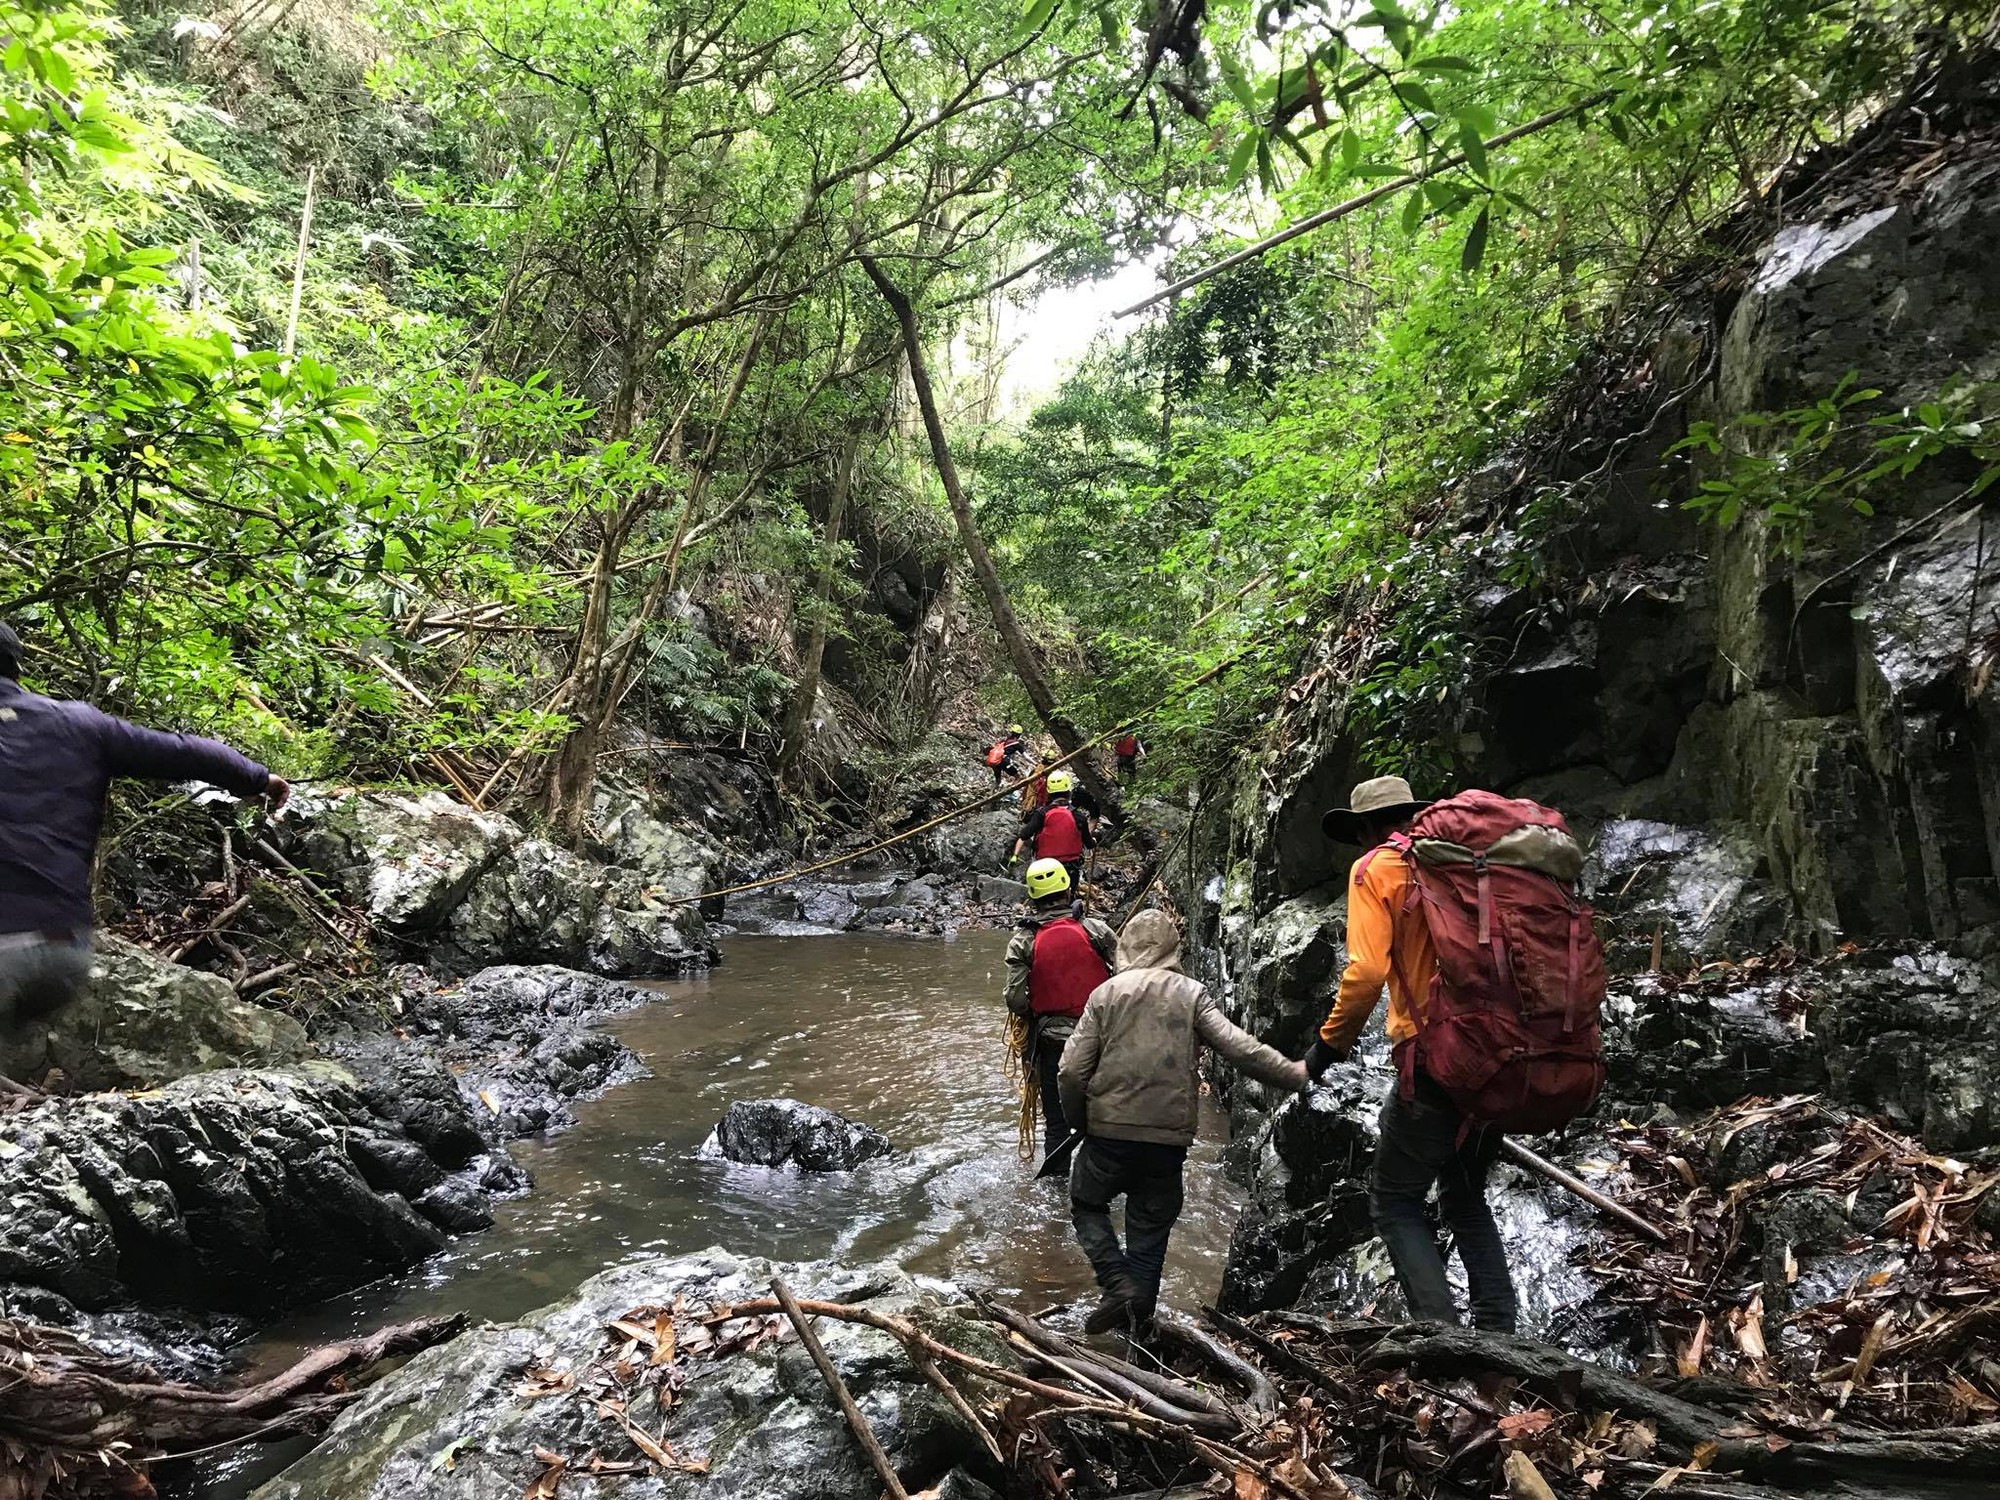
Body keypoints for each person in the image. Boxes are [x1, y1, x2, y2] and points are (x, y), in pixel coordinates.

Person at [0, 621, 290, 1041]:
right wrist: (259, 779)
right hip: (58, 951)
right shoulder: (79, 724)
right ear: (17, 667)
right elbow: (188, 752)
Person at [1305, 774, 1518, 1334]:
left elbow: (1368, 971)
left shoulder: (1376, 868)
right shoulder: (1462, 864)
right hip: (1499, 1054)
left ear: (1367, 828)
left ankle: (1443, 1341)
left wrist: (1326, 1047)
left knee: (1394, 1202)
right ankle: (1500, 1335)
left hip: (1435, 1059)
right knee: (1467, 1197)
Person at [1059, 907, 1307, 1333]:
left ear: (1126, 947)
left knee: (1086, 1204)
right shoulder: (1192, 993)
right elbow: (1240, 1049)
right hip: (1167, 1142)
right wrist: (1297, 1073)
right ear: (1173, 948)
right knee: (1149, 1237)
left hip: (1108, 1134)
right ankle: (1140, 1337)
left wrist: (1079, 1121)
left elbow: (1070, 1072)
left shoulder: (1106, 994)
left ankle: (1117, 1284)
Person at [1003, 857, 1116, 1161]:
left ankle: (1055, 1184)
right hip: (1100, 1039)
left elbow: (1014, 999)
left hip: (1052, 1042)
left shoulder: (1023, 941)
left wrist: (1034, 1012)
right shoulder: (1096, 930)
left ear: (1032, 898)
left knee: (1056, 1122)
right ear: (1068, 891)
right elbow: (1125, 978)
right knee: (1104, 1117)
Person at [1011, 768, 1093, 892]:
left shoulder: (1041, 813)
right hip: (1070, 866)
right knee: (1070, 895)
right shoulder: (1079, 816)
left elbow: (1024, 835)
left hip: (1045, 865)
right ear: (1068, 791)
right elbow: (1089, 843)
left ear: (1049, 792)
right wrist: (1095, 840)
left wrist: (1015, 855)